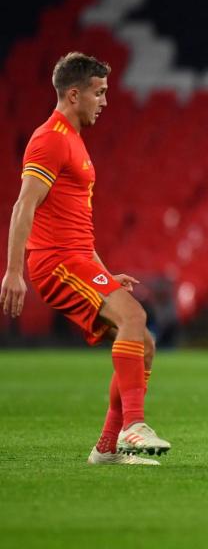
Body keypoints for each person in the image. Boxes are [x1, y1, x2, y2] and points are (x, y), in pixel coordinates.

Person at [0, 52, 170, 465]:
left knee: (143, 344)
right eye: (99, 92)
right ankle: (133, 426)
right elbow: (24, 206)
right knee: (134, 317)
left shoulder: (73, 140)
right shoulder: (50, 139)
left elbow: (73, 219)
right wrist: (13, 272)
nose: (105, 101)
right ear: (73, 94)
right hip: (56, 262)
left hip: (78, 258)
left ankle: (107, 448)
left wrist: (103, 271)